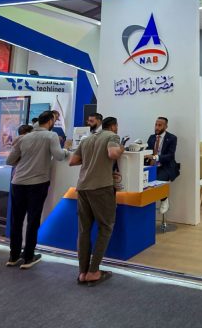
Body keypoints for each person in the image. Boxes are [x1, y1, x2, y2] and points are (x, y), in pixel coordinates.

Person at [6, 110, 70, 269]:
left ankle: (13, 256)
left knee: (16, 220)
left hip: (18, 182)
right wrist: (66, 150)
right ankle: (28, 257)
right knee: (33, 220)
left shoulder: (24, 137)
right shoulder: (51, 136)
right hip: (37, 183)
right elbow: (59, 156)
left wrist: (25, 163)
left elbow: (10, 160)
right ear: (50, 121)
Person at [69, 116, 124, 286]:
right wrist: (121, 149)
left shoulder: (87, 139)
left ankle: (83, 272)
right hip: (101, 188)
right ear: (113, 127)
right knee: (106, 227)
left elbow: (73, 161)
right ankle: (93, 271)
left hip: (82, 187)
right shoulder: (112, 136)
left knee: (84, 230)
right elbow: (113, 153)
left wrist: (91, 159)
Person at [146, 117, 179, 182]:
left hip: (165, 166)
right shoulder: (152, 137)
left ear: (166, 127)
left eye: (159, 125)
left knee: (156, 181)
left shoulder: (172, 138)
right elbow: (148, 151)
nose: (157, 127)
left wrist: (155, 157)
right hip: (152, 165)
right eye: (156, 125)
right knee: (142, 179)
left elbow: (170, 155)